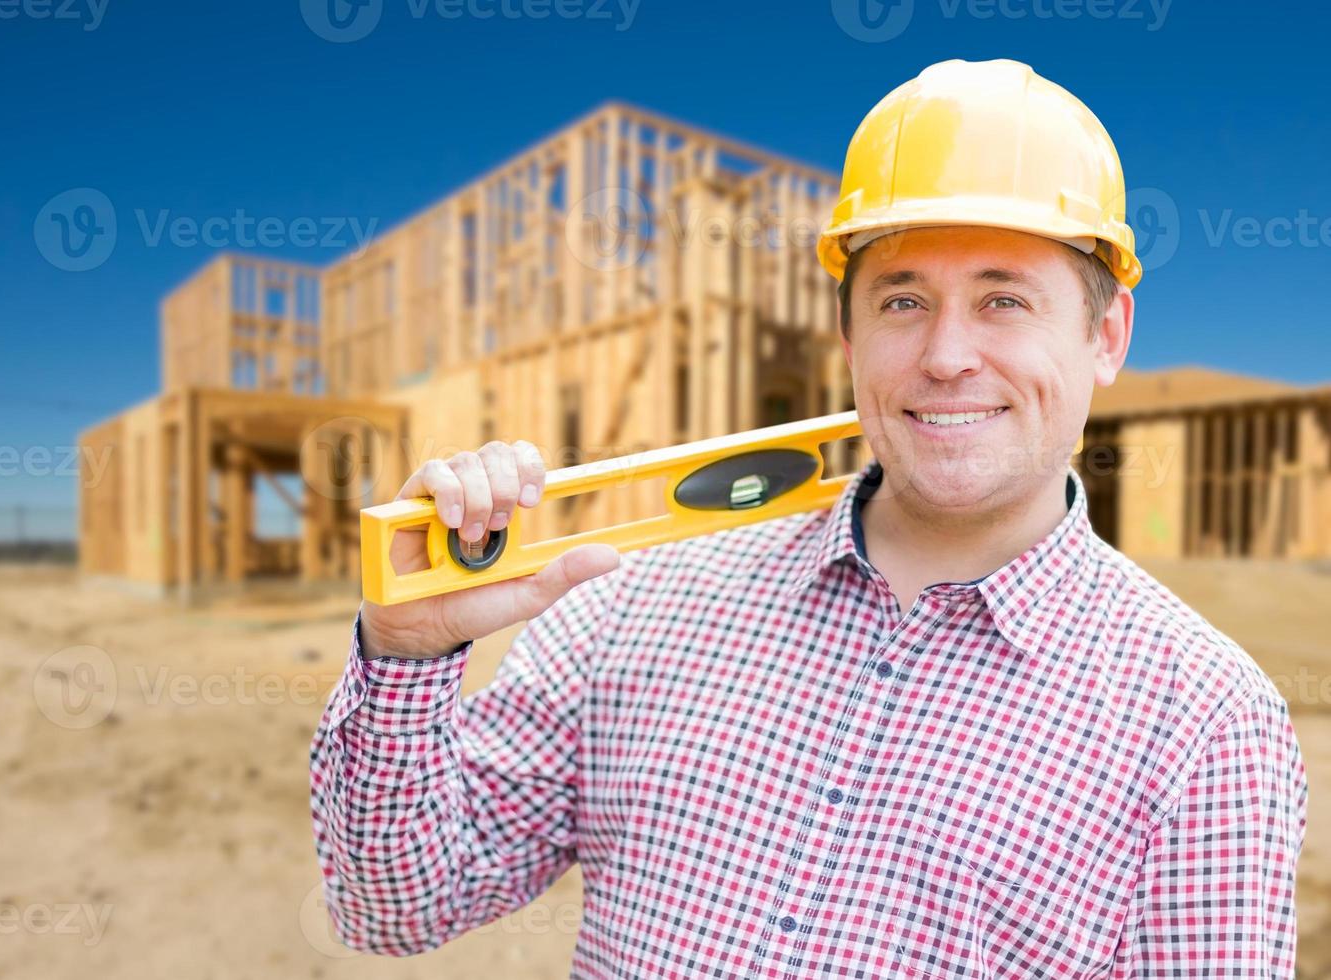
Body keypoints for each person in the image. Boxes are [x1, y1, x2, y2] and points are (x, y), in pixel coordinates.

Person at [309, 59, 1307, 977]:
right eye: (902, 301)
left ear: (1106, 336)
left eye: (1004, 300)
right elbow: (392, 908)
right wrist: (404, 654)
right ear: (847, 335)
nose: (947, 354)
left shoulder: (1204, 726)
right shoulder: (634, 605)